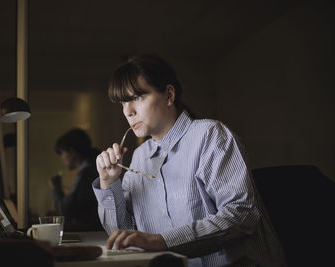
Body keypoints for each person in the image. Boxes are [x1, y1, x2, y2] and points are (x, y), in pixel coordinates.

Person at [92, 54, 287, 266]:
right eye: (123, 102)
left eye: (137, 98)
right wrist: (109, 183)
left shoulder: (211, 135)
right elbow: (123, 236)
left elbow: (241, 215)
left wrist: (162, 241)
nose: (128, 111)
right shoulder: (139, 157)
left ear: (168, 95)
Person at [50, 128, 103, 231]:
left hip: (93, 233)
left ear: (71, 151)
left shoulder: (88, 174)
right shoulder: (93, 168)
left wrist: (56, 189)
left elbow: (66, 212)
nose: (62, 158)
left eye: (62, 153)